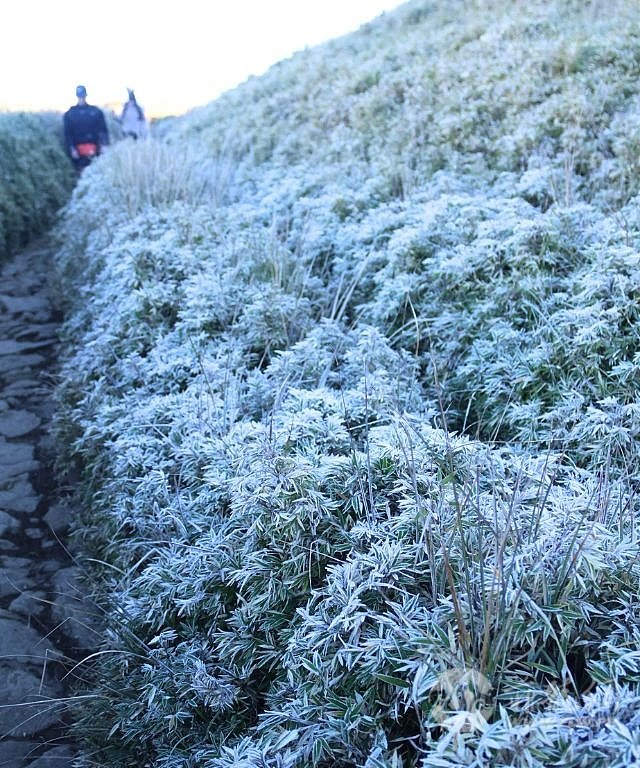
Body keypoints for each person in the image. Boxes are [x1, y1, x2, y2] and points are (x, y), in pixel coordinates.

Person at [63, 85, 110, 174]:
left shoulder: (96, 112)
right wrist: (72, 149)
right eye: (80, 96)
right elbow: (67, 134)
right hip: (78, 151)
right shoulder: (70, 114)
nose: (81, 98)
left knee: (97, 174)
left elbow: (103, 130)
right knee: (81, 174)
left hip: (95, 149)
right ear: (77, 96)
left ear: (85, 95)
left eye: (82, 95)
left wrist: (104, 145)